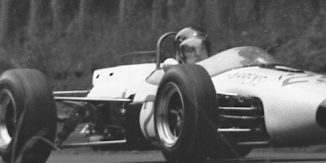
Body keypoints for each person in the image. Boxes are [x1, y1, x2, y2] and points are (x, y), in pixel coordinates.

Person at [53, 27, 212, 149]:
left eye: (201, 50)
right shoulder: (170, 68)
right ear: (180, 53)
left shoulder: (212, 71)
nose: (197, 55)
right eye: (190, 51)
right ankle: (60, 138)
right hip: (140, 104)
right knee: (86, 108)